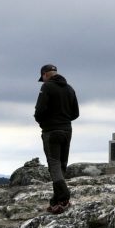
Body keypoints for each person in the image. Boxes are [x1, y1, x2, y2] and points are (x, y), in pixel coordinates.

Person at [34, 64, 79, 214]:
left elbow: (39, 110)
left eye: (43, 78)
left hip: (51, 131)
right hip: (67, 130)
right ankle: (57, 199)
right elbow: (75, 113)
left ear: (45, 74)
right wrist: (64, 119)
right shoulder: (70, 88)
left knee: (54, 164)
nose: (43, 80)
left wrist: (42, 122)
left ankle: (64, 196)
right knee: (62, 165)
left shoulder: (47, 87)